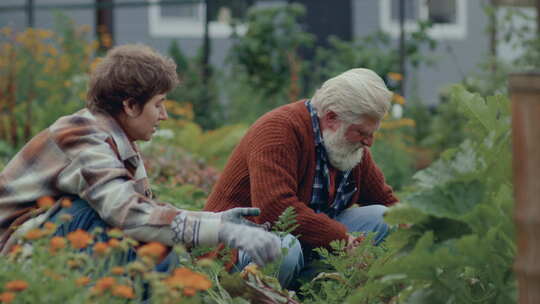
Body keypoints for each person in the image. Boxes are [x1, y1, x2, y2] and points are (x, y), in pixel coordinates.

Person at [0, 44, 282, 273]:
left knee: (150, 241)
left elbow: (148, 211)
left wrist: (215, 219)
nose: (164, 115)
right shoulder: (82, 135)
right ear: (131, 105)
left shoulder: (118, 140)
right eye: (158, 104)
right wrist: (220, 231)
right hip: (15, 253)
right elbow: (128, 214)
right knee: (103, 220)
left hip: (42, 242)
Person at [204, 68, 399, 283]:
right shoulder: (278, 131)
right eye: (362, 132)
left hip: (304, 242)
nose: (368, 142)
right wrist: (341, 239)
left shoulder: (348, 145)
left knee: (384, 218)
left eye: (372, 133)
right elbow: (275, 210)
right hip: (236, 244)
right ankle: (262, 294)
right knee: (284, 250)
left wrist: (423, 230)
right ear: (332, 117)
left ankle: (309, 290)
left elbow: (385, 200)